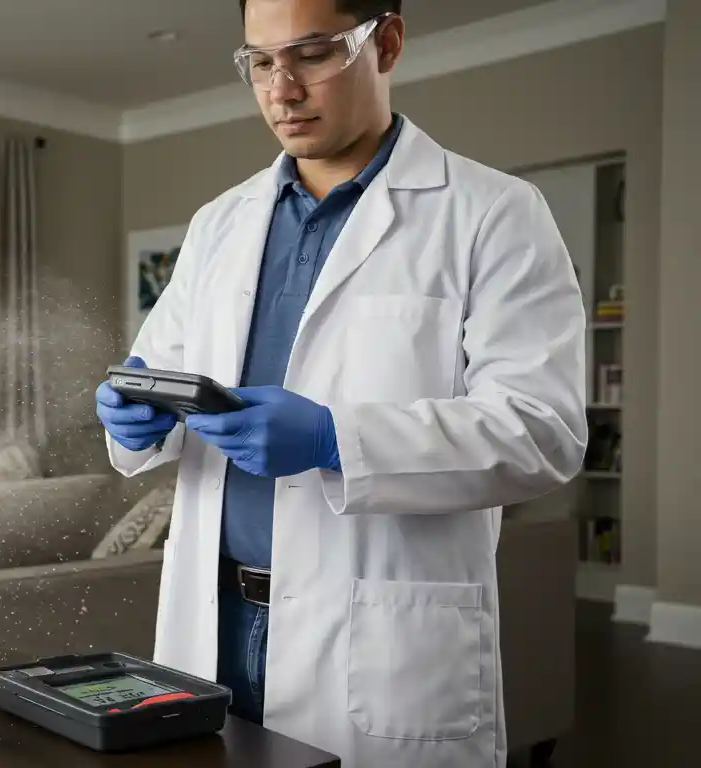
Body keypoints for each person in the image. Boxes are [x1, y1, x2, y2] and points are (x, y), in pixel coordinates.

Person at [95, 1, 586, 766]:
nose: (281, 90)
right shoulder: (218, 225)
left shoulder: (494, 214)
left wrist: (334, 439)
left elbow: (543, 432)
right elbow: (162, 372)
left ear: (386, 42)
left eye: (312, 54)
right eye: (259, 62)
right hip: (210, 622)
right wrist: (137, 417)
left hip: (381, 636)